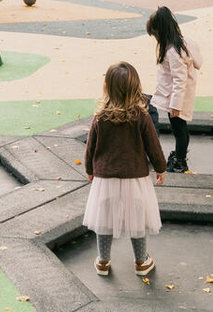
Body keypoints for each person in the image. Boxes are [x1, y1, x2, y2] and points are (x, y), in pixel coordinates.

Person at [83, 62, 166, 277]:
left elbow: (90, 146)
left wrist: (89, 169)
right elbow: (153, 145)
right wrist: (161, 168)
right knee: (137, 218)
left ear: (107, 87)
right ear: (135, 87)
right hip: (135, 177)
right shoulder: (141, 116)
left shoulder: (100, 117)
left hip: (105, 178)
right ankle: (141, 261)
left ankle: (103, 261)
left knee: (104, 219)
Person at [146, 6, 203, 174]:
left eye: (155, 35)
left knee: (179, 130)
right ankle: (179, 157)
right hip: (174, 96)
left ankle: (179, 161)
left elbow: (180, 80)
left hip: (176, 98)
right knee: (180, 128)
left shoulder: (173, 52)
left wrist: (176, 105)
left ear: (161, 31)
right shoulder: (182, 43)